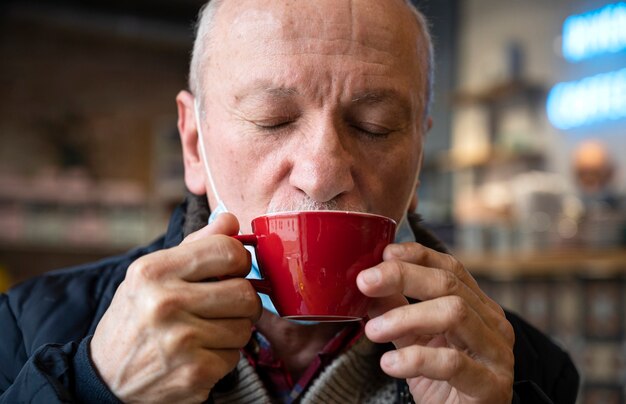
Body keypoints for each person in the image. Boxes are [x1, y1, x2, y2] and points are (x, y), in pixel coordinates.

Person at [0, 0, 579, 403]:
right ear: (194, 144)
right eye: (271, 119)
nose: (321, 174)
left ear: (420, 156)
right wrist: (92, 389)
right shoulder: (26, 332)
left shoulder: (525, 369)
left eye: (376, 127)